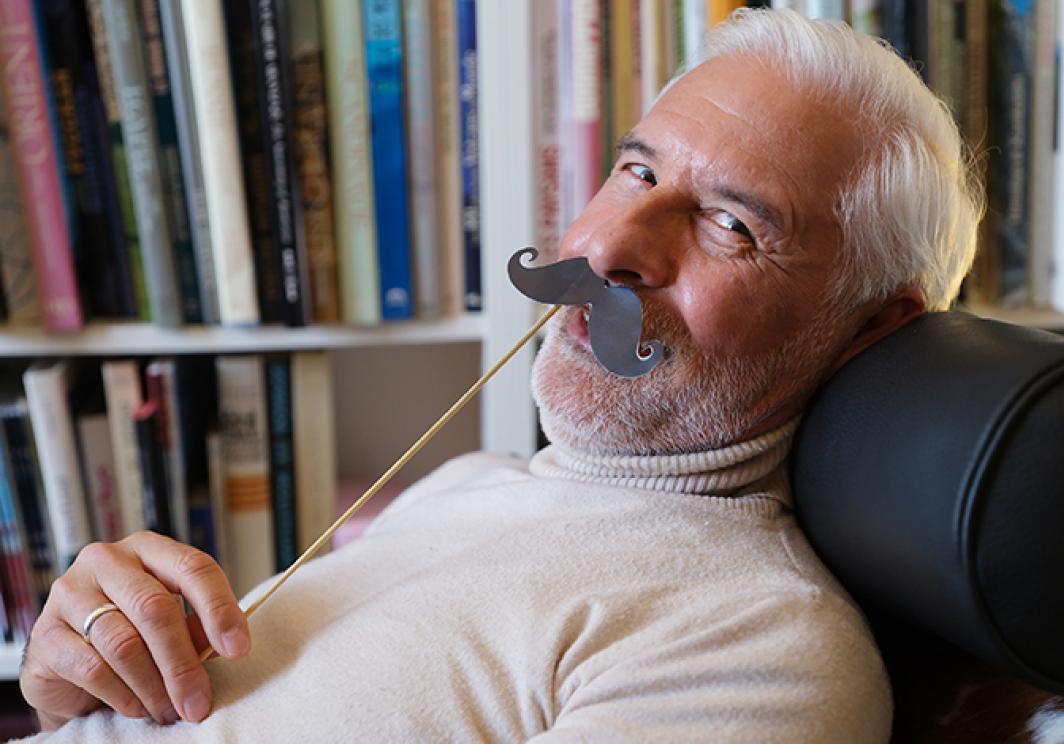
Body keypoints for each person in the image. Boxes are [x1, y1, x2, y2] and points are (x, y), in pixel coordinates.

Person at [17, 8, 981, 742]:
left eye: (733, 224)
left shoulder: (762, 649)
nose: (606, 249)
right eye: (637, 174)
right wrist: (79, 677)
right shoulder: (474, 482)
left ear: (868, 328)